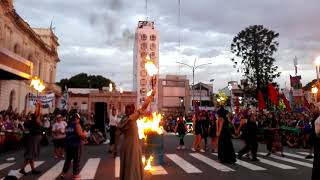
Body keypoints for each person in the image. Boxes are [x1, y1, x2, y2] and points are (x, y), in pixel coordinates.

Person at [117, 89, 156, 180]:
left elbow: (117, 133)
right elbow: (144, 106)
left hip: (127, 145)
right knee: (132, 165)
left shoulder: (124, 119)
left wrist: (115, 148)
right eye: (127, 107)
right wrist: (151, 96)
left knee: (129, 165)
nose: (128, 109)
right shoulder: (132, 118)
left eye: (130, 107)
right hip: (132, 146)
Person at [60, 113, 87, 180]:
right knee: (76, 159)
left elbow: (66, 134)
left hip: (68, 145)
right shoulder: (77, 125)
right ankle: (75, 174)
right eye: (78, 119)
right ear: (76, 119)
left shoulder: (67, 126)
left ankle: (63, 173)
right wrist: (85, 134)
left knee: (68, 160)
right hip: (76, 144)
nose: (79, 120)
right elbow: (80, 134)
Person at [19, 102, 42, 176]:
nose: (39, 118)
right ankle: (22, 169)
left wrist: (38, 106)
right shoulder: (33, 122)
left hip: (32, 139)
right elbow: (37, 114)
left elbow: (37, 114)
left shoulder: (30, 122)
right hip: (33, 140)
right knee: (30, 155)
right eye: (38, 117)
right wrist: (38, 106)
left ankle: (33, 169)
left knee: (31, 155)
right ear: (35, 118)